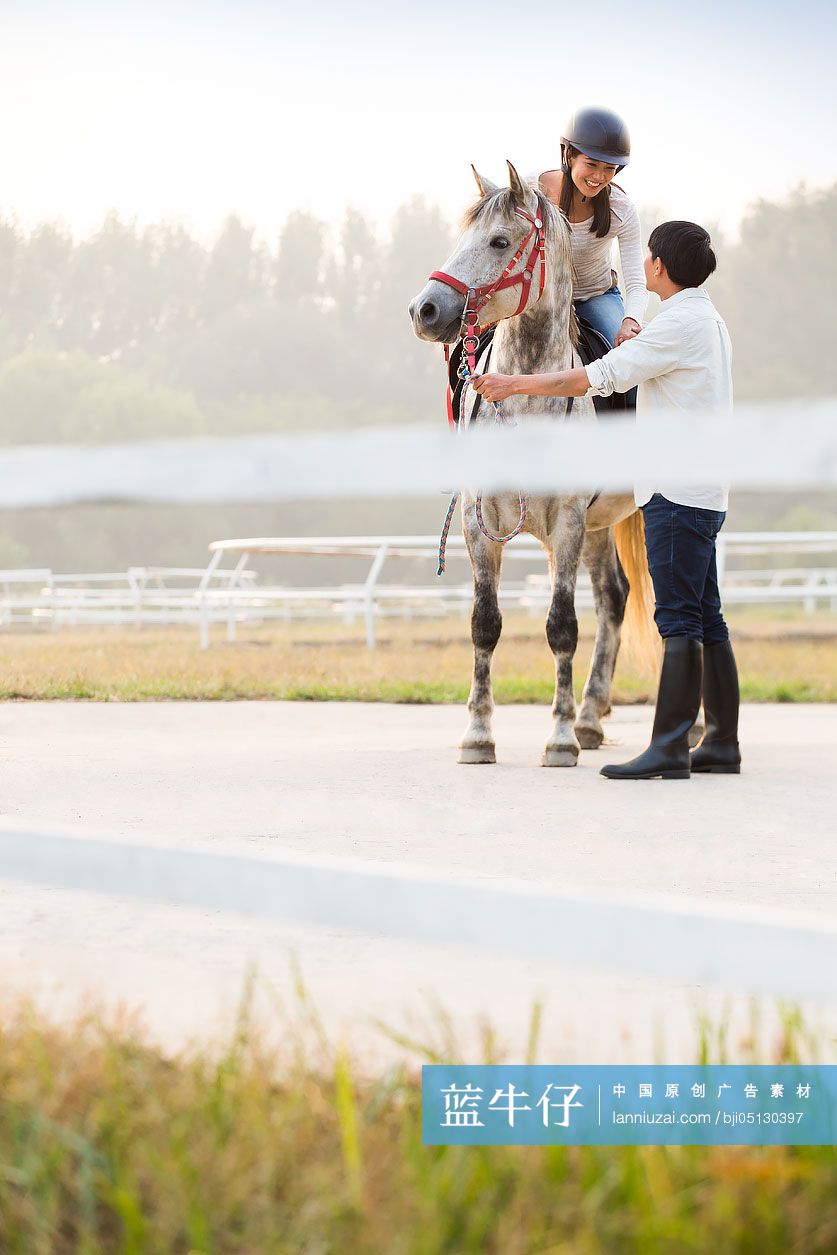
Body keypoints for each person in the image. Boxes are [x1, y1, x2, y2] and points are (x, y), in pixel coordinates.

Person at [471, 220, 742, 780]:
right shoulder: (707, 320)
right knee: (707, 618)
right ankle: (720, 741)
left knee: (677, 621)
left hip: (673, 492)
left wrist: (512, 385)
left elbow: (603, 377)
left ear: (660, 268)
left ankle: (669, 745)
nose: (641, 266)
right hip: (704, 491)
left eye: (646, 258)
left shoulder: (677, 327)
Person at [534, 107, 647, 354]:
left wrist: (631, 321)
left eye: (610, 168)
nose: (599, 176)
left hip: (597, 297)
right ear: (569, 155)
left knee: (627, 359)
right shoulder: (533, 191)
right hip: (540, 299)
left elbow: (637, 281)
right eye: (591, 164)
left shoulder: (622, 209)